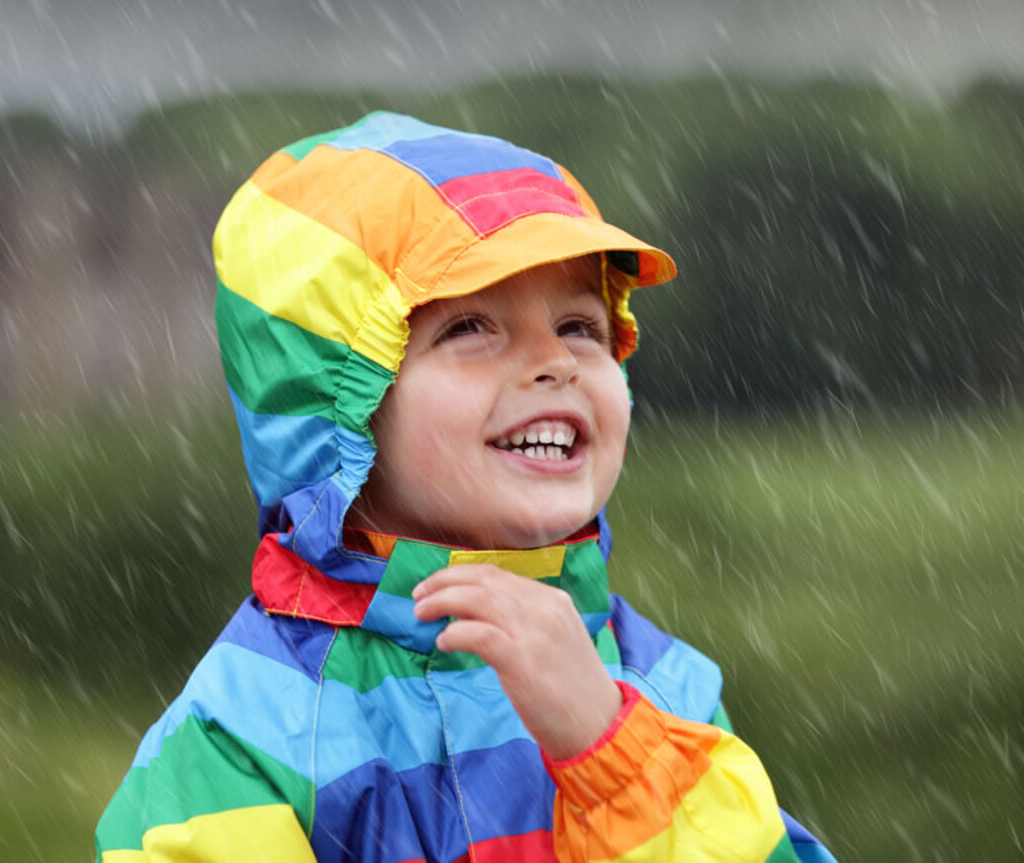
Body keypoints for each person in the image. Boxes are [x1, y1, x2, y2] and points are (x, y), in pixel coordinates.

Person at [94, 111, 836, 862]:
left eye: (580, 324)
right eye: (472, 326)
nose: (555, 362)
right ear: (341, 413)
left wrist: (615, 761)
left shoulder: (661, 692)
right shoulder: (251, 732)